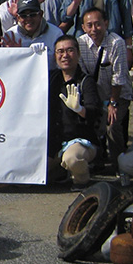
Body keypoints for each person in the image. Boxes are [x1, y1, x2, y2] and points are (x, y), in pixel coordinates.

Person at [77, 7, 131, 174]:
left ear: (106, 23)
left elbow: (119, 77)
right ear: (84, 27)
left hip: (118, 94)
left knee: (112, 125)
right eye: (89, 25)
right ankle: (96, 162)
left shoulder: (117, 43)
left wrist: (112, 103)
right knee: (89, 124)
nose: (94, 29)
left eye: (98, 24)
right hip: (95, 95)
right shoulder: (80, 43)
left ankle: (120, 167)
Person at [47, 36, 100, 187]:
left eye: (70, 50)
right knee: (34, 172)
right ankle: (61, 171)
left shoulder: (86, 81)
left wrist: (80, 110)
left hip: (80, 141)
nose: (65, 55)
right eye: (60, 51)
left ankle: (81, 180)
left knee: (73, 159)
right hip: (55, 142)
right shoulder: (51, 78)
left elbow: (94, 113)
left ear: (78, 54)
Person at [2, 0, 62, 69]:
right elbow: (5, 67)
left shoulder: (56, 34)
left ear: (40, 14)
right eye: (24, 16)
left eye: (33, 15)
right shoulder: (10, 36)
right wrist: (15, 53)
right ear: (18, 18)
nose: (29, 19)